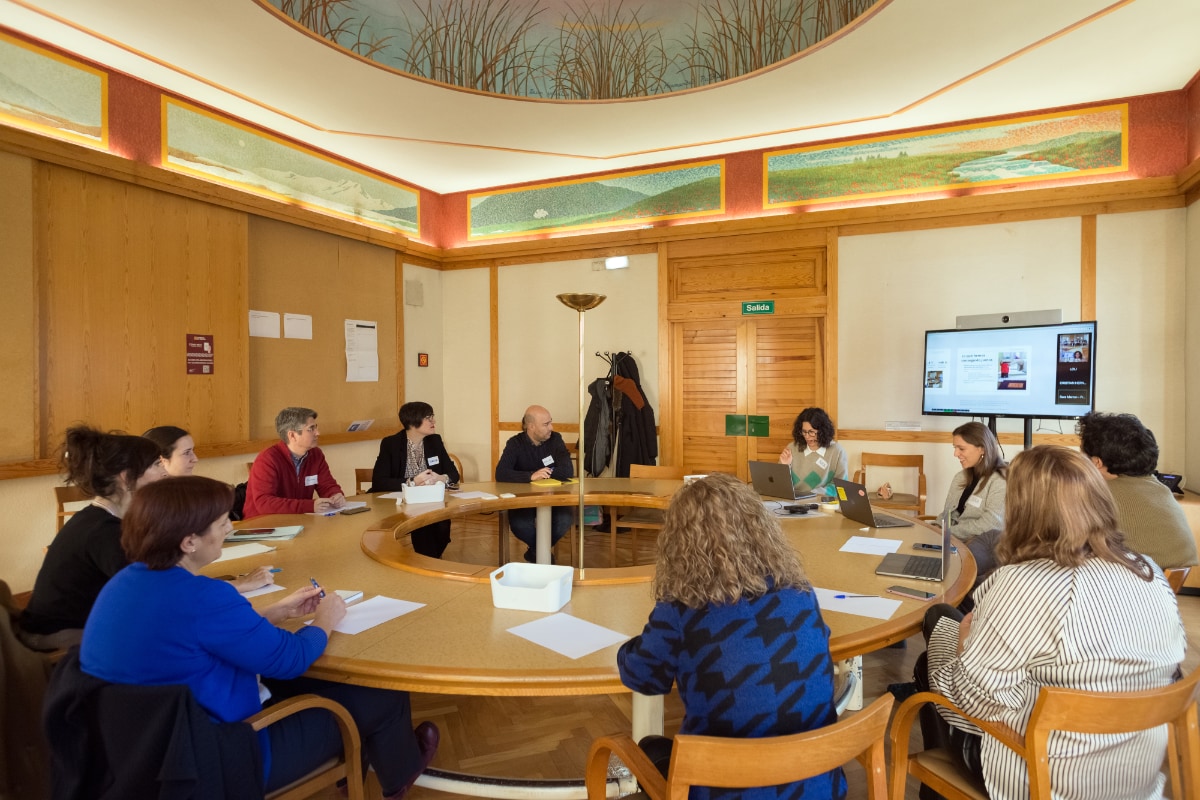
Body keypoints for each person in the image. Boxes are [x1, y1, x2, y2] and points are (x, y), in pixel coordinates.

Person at [79, 476, 439, 799]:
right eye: (221, 523)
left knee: (333, 688)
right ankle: (399, 776)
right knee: (380, 693)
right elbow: (292, 658)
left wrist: (276, 612)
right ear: (189, 541)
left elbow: (197, 635)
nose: (230, 527)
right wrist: (325, 618)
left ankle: (369, 772)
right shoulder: (205, 596)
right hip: (225, 755)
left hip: (143, 753)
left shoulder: (122, 585)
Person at [914, 446, 1185, 800]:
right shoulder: (1147, 570)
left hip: (1044, 776)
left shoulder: (1022, 582)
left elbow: (971, 703)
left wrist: (963, 646)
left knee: (931, 658)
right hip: (1136, 773)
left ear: (1023, 510)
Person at [617, 473, 844, 800]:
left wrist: (631, 645)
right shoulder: (801, 593)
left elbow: (642, 677)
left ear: (680, 543)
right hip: (820, 786)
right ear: (759, 529)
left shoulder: (681, 611)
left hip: (727, 789)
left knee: (651, 748)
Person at [19, 427, 166, 651]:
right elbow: (149, 591)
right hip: (51, 637)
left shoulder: (98, 519)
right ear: (127, 477)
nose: (164, 472)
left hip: (63, 625)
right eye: (156, 464)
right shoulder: (102, 531)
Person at [1077, 411, 1198, 569]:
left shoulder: (1098, 496)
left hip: (1126, 586)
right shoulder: (1162, 490)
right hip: (1169, 587)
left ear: (1097, 463)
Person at [371, 402, 461, 558]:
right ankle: (428, 563)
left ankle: (428, 562)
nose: (434, 421)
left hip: (431, 501)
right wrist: (412, 481)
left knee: (442, 526)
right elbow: (379, 482)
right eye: (428, 417)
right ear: (412, 422)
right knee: (423, 525)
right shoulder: (391, 444)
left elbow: (453, 474)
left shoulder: (435, 441)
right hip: (401, 502)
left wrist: (440, 477)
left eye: (433, 416)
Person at [494, 405, 573, 562]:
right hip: (524, 500)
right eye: (546, 424)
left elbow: (567, 471)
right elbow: (501, 473)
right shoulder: (515, 443)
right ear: (531, 426)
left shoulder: (556, 439)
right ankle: (540, 552)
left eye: (550, 422)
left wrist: (543, 474)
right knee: (521, 525)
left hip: (553, 498)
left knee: (565, 520)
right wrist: (530, 476)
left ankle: (536, 551)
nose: (551, 427)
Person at [244, 407, 346, 518]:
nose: (317, 433)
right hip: (263, 525)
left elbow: (327, 485)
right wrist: (309, 506)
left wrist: (335, 495)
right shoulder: (268, 459)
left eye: (315, 427)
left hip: (298, 520)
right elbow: (264, 503)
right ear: (292, 435)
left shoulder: (316, 455)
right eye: (311, 429)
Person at [777, 407, 849, 496]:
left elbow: (841, 486)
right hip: (793, 501)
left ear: (823, 431)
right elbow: (779, 484)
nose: (807, 436)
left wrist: (814, 494)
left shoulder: (837, 451)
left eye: (811, 432)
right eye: (804, 432)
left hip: (821, 501)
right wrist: (784, 467)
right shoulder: (792, 448)